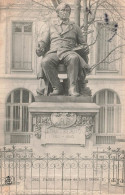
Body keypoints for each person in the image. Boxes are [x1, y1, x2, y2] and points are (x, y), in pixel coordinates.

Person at [36, 3, 90, 96]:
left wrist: (81, 49)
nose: (65, 13)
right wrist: (40, 47)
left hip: (68, 51)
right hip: (54, 52)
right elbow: (44, 41)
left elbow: (83, 44)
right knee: (45, 61)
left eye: (67, 11)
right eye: (62, 10)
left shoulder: (75, 27)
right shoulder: (51, 26)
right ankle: (57, 87)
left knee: (74, 58)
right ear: (58, 13)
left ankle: (72, 88)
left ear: (69, 13)